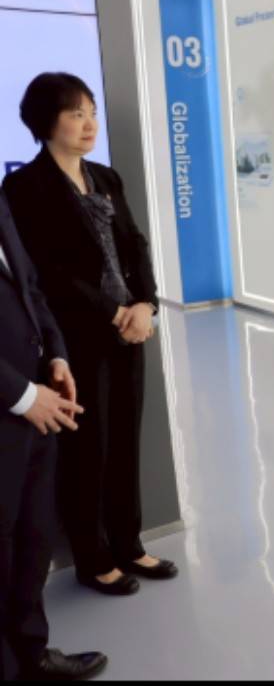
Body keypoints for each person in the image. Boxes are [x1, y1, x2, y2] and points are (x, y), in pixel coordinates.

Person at [2, 72, 177, 597]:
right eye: (76, 113)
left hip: (130, 331)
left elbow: (136, 244)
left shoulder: (105, 177)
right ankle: (92, 557)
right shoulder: (24, 187)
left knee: (125, 441)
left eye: (92, 112)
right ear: (45, 122)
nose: (89, 124)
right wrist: (115, 312)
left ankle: (128, 542)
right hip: (76, 338)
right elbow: (47, 271)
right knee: (87, 450)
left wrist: (145, 305)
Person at [0, 192, 107, 680]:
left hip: (38, 405)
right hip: (18, 402)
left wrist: (57, 356)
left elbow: (30, 287)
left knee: (33, 537)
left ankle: (32, 654)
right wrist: (22, 395)